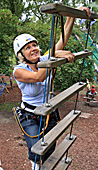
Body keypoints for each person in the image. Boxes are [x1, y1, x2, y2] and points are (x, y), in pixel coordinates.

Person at [13, 7, 91, 170]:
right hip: (29, 114)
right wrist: (56, 54)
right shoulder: (19, 71)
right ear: (21, 55)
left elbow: (63, 39)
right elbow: (38, 77)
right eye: (28, 48)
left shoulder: (45, 58)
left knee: (49, 148)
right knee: (36, 152)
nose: (33, 48)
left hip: (49, 111)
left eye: (34, 45)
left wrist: (71, 16)